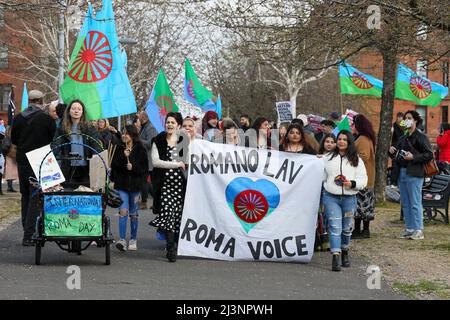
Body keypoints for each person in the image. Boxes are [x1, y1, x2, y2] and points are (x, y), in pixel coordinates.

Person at [11, 90, 56, 246]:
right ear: (41, 101)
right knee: (35, 195)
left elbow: (14, 139)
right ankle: (30, 234)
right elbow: (52, 139)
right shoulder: (47, 119)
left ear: (29, 101)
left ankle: (26, 229)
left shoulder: (18, 118)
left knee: (25, 194)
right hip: (40, 158)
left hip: (22, 158)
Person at [322, 130, 367, 271]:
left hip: (349, 198)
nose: (341, 141)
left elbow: (363, 179)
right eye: (339, 139)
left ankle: (345, 251)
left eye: (344, 139)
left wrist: (352, 184)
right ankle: (335, 255)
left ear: (349, 142)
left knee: (347, 228)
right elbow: (321, 176)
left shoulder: (356, 160)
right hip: (331, 197)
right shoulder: (327, 158)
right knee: (335, 227)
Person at [150, 112, 188, 262]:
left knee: (177, 217)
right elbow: (156, 162)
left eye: (173, 122)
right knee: (168, 215)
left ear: (178, 125)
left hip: (181, 187)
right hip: (164, 186)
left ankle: (176, 244)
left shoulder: (182, 140)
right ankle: (170, 248)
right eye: (168, 122)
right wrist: (175, 164)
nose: (170, 125)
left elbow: (187, 160)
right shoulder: (158, 140)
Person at [389, 110, 433, 240]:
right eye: (405, 118)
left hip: (415, 172)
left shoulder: (421, 137)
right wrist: (391, 151)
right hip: (402, 171)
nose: (406, 120)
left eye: (409, 118)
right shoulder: (403, 136)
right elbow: (396, 154)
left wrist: (414, 157)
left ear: (415, 121)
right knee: (405, 203)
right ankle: (409, 228)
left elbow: (429, 154)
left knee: (415, 202)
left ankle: (418, 229)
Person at [111, 125, 148, 252]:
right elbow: (114, 165)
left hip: (136, 186)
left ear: (132, 135)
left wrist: (133, 166)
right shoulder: (119, 147)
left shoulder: (140, 149)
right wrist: (123, 157)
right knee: (123, 212)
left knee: (134, 213)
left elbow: (144, 169)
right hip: (122, 185)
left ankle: (133, 239)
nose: (124, 135)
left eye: (126, 133)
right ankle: (122, 239)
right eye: (123, 133)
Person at [54, 100, 102, 190]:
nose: (76, 111)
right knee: (69, 194)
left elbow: (97, 146)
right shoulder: (62, 128)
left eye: (79, 109)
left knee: (84, 195)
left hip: (86, 169)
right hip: (68, 168)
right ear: (69, 111)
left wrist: (97, 157)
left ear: (82, 112)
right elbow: (55, 145)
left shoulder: (89, 129)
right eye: (74, 109)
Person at [352, 114, 376, 239]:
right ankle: (359, 230)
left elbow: (364, 156)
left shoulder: (363, 139)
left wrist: (350, 158)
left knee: (363, 205)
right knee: (362, 205)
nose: (352, 126)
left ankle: (363, 230)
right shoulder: (365, 138)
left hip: (364, 178)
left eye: (354, 124)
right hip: (366, 177)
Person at [137, 111, 158, 210]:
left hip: (149, 159)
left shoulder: (151, 127)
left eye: (139, 117)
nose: (138, 118)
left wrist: (138, 139)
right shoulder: (144, 127)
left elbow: (151, 143)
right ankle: (156, 201)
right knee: (145, 182)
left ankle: (147, 202)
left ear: (144, 118)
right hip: (143, 159)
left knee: (145, 182)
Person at [2, 126, 18, 192]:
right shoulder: (10, 138)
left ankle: (10, 186)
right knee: (10, 171)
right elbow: (6, 147)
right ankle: (9, 186)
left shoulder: (7, 138)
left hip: (9, 155)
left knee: (10, 170)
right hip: (11, 155)